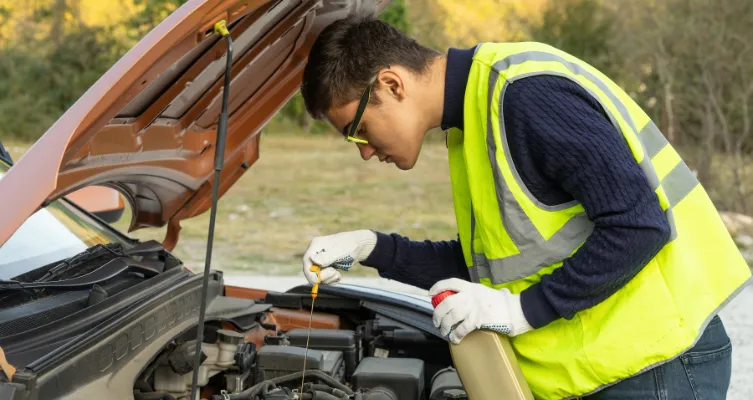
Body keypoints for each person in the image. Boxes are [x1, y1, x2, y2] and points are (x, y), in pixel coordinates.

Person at [297, 14, 751, 400]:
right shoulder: (473, 119)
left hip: (657, 369)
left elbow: (639, 224)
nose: (364, 151)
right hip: (612, 369)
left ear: (391, 83)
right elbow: (492, 268)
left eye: (356, 131)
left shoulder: (523, 96)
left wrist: (520, 311)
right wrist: (369, 247)